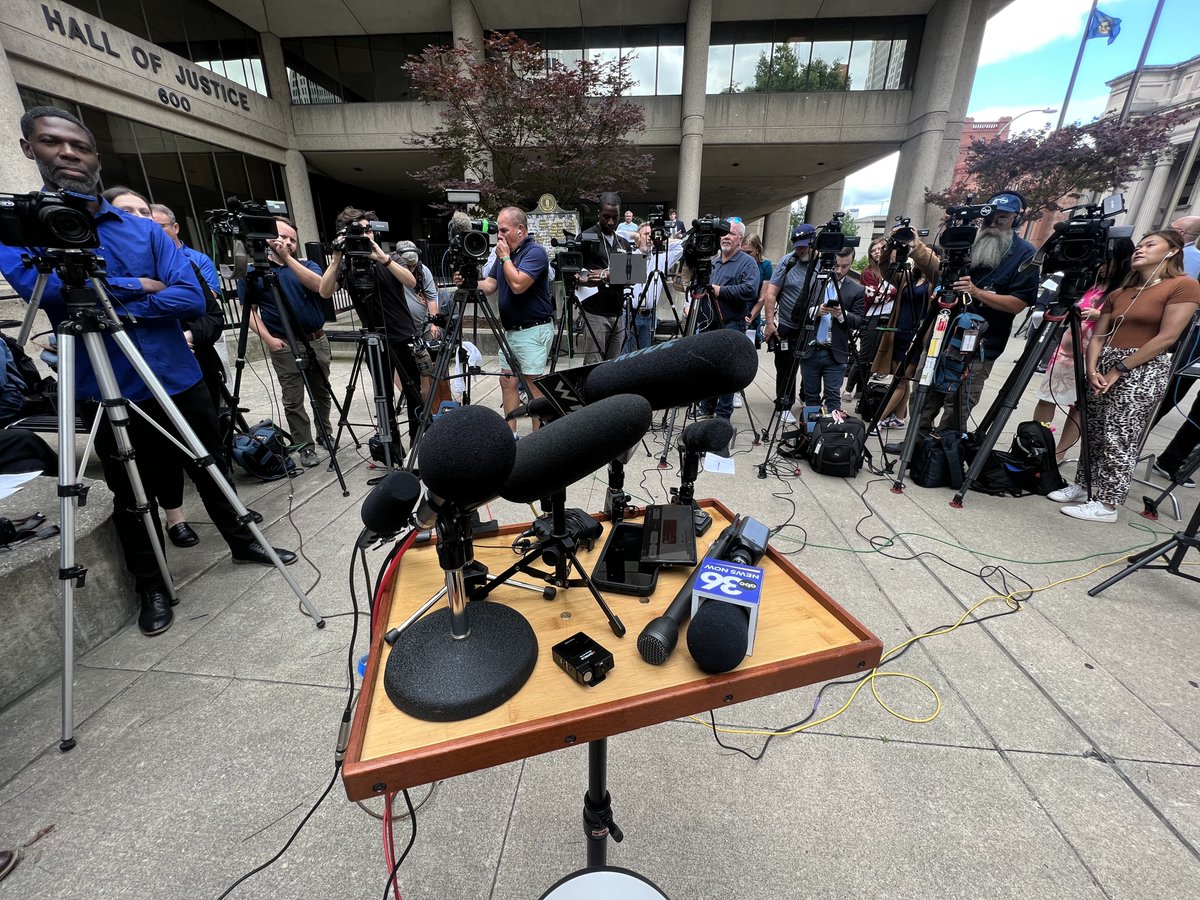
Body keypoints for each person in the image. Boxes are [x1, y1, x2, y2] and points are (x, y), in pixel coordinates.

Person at [0, 106, 295, 637]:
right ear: (29, 149)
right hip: (103, 385)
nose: (68, 153)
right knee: (129, 493)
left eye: (80, 146)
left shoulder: (144, 231)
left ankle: (243, 540)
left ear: (95, 156)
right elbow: (55, 298)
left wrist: (123, 294)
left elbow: (187, 296)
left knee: (211, 463)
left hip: (177, 378)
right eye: (51, 143)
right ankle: (152, 585)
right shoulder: (19, 228)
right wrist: (143, 285)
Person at [1048, 229, 1200, 522]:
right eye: (1139, 245)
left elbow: (1168, 336)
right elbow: (1098, 336)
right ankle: (1085, 484)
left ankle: (1107, 503)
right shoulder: (1121, 292)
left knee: (1119, 435)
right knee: (1092, 430)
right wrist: (1092, 369)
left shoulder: (1183, 286)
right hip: (1105, 362)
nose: (1139, 249)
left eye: (1150, 245)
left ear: (1171, 251)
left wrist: (1121, 368)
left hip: (1141, 366)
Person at [104, 186, 224, 549]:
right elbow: (85, 302)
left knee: (208, 453)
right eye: (128, 212)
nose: (139, 221)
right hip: (127, 380)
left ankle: (237, 531)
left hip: (189, 370)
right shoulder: (108, 257)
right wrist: (140, 290)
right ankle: (174, 520)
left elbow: (201, 308)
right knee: (155, 461)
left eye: (145, 212)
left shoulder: (183, 265)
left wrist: (187, 332)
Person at [905, 192, 1039, 433]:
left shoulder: (1024, 253)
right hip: (942, 336)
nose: (994, 223)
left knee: (958, 404)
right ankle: (915, 444)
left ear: (1016, 220)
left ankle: (942, 453)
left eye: (1003, 218)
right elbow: (942, 275)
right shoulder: (965, 243)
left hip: (980, 345)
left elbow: (1018, 303)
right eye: (989, 218)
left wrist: (976, 292)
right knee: (923, 395)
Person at [317, 208, 421, 456]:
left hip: (401, 334)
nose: (366, 234)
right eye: (360, 230)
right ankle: (392, 451)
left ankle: (419, 446)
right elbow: (324, 291)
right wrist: (335, 260)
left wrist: (382, 257)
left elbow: (410, 281)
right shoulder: (347, 264)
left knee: (413, 392)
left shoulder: (388, 257)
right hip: (374, 339)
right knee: (383, 397)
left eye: (368, 229)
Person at [240, 216, 333, 468]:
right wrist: (269, 340)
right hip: (284, 344)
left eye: (293, 239)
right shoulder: (254, 272)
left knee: (321, 392)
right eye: (282, 237)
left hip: (317, 339)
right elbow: (249, 311)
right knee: (293, 399)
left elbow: (320, 287)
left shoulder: (307, 264)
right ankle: (305, 447)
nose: (288, 242)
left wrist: (289, 259)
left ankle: (325, 433)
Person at [1032, 238, 1134, 462]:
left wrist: (1103, 316)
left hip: (1093, 353)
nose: (1104, 266)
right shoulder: (1090, 282)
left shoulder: (1126, 290)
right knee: (1046, 397)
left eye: (1110, 262)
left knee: (1078, 406)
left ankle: (1059, 454)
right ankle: (1037, 443)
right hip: (1066, 350)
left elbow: (1133, 319)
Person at [475, 207, 554, 435]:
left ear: (520, 229)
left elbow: (519, 285)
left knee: (532, 385)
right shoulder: (504, 254)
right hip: (511, 331)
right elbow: (490, 286)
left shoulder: (535, 252)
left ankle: (540, 438)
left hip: (533, 329)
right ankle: (511, 435)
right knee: (507, 381)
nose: (499, 236)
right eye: (498, 230)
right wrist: (469, 282)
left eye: (504, 230)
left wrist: (506, 257)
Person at [755, 224, 820, 424]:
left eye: (805, 246)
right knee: (786, 366)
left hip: (815, 323)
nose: (801, 250)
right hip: (788, 324)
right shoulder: (787, 261)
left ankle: (807, 397)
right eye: (798, 246)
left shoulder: (823, 262)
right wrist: (769, 323)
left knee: (812, 365)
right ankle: (783, 403)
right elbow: (771, 293)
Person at [697, 218, 759, 420]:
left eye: (731, 233)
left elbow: (751, 290)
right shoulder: (713, 262)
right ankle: (706, 406)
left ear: (740, 239)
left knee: (727, 370)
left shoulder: (747, 262)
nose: (726, 237)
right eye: (723, 233)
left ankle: (723, 414)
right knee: (708, 368)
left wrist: (721, 291)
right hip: (709, 323)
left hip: (732, 324)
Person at [798, 249, 866, 414]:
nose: (839, 271)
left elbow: (859, 321)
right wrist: (816, 311)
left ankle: (830, 434)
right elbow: (798, 312)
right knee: (810, 395)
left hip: (836, 351)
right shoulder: (815, 282)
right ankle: (812, 434)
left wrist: (842, 315)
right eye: (836, 265)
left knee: (833, 397)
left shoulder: (856, 290)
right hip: (811, 349)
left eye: (845, 266)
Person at [577, 193, 634, 364]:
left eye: (615, 218)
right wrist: (587, 277)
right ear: (598, 214)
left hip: (617, 312)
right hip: (594, 312)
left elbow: (633, 275)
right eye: (606, 217)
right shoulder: (586, 238)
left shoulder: (623, 242)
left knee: (613, 366)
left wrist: (606, 274)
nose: (610, 222)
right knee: (593, 365)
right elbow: (575, 273)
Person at [845, 238, 897, 401]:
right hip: (871, 318)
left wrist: (889, 292)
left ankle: (861, 389)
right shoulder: (868, 272)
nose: (877, 252)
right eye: (873, 249)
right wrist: (893, 292)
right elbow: (874, 297)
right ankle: (848, 389)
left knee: (873, 359)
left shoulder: (893, 271)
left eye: (881, 249)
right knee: (864, 356)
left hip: (888, 318)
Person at [624, 222, 683, 353]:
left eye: (652, 234)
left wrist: (662, 240)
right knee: (625, 355)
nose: (650, 237)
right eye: (646, 234)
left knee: (646, 356)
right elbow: (616, 236)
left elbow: (680, 247)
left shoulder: (659, 259)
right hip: (629, 314)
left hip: (649, 316)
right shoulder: (629, 256)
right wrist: (634, 236)